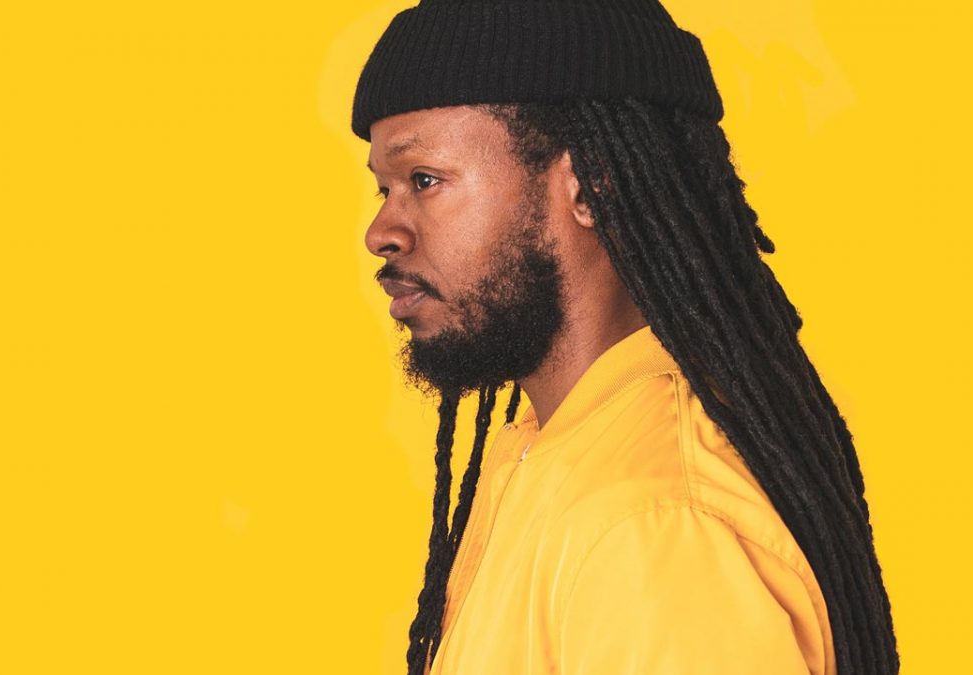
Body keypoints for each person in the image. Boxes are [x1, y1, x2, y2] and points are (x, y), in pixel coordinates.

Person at [350, 1, 899, 673]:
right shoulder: (554, 454)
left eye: (423, 180)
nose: (381, 232)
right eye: (383, 189)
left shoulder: (651, 521)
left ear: (589, 186)